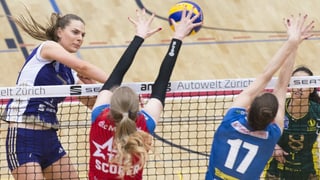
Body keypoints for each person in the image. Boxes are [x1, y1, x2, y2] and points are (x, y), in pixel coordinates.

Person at [88, 8, 202, 180]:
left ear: (110, 106)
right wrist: (177, 38)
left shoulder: (99, 117)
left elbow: (115, 75)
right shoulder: (144, 124)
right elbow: (162, 83)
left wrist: (139, 36)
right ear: (138, 108)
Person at [3, 8, 109, 180]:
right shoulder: (47, 48)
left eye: (83, 35)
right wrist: (119, 86)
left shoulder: (69, 73)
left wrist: (93, 87)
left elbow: (94, 106)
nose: (80, 38)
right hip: (24, 137)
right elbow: (83, 67)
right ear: (59, 32)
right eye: (75, 32)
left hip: (50, 140)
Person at [205, 14, 314, 180]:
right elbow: (282, 86)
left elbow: (265, 76)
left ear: (248, 109)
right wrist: (294, 44)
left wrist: (291, 42)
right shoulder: (272, 135)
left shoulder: (230, 121)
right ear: (271, 120)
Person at [265, 66, 320, 180]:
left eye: (304, 84)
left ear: (311, 89)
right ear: (290, 86)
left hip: (309, 172)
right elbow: (258, 130)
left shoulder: (317, 111)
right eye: (296, 83)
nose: (299, 88)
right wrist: (273, 146)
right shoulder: (278, 108)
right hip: (277, 171)